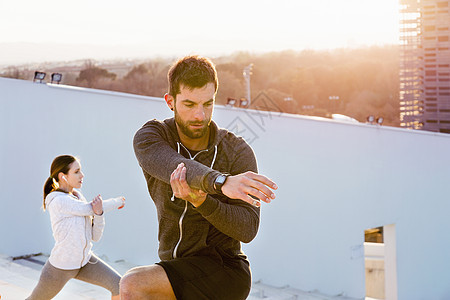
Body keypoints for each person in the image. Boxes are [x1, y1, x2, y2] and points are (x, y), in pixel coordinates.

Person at [121, 55, 278, 300]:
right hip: (175, 266)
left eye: (208, 103)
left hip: (224, 270)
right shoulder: (152, 138)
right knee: (122, 291)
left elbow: (247, 229)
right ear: (170, 101)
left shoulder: (236, 151)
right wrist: (222, 183)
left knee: (133, 284)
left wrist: (203, 202)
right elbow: (176, 165)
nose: (200, 115)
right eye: (190, 104)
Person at [27, 155, 126, 300]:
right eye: (76, 171)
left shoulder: (78, 197)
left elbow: (95, 236)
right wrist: (117, 202)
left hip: (85, 262)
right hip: (60, 268)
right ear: (63, 176)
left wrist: (99, 214)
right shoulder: (59, 201)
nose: (82, 175)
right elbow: (88, 209)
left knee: (119, 285)